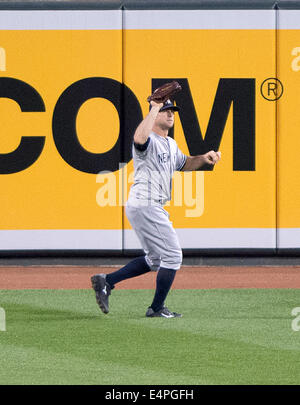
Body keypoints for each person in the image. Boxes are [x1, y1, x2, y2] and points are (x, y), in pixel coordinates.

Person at [91, 96, 221, 318]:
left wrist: (204, 158)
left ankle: (107, 281)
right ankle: (157, 308)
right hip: (146, 203)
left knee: (156, 260)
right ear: (155, 113)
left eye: (172, 111)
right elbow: (138, 138)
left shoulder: (170, 144)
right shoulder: (148, 138)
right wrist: (154, 107)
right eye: (166, 110)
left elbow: (185, 163)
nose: (171, 114)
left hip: (149, 205)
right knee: (173, 256)